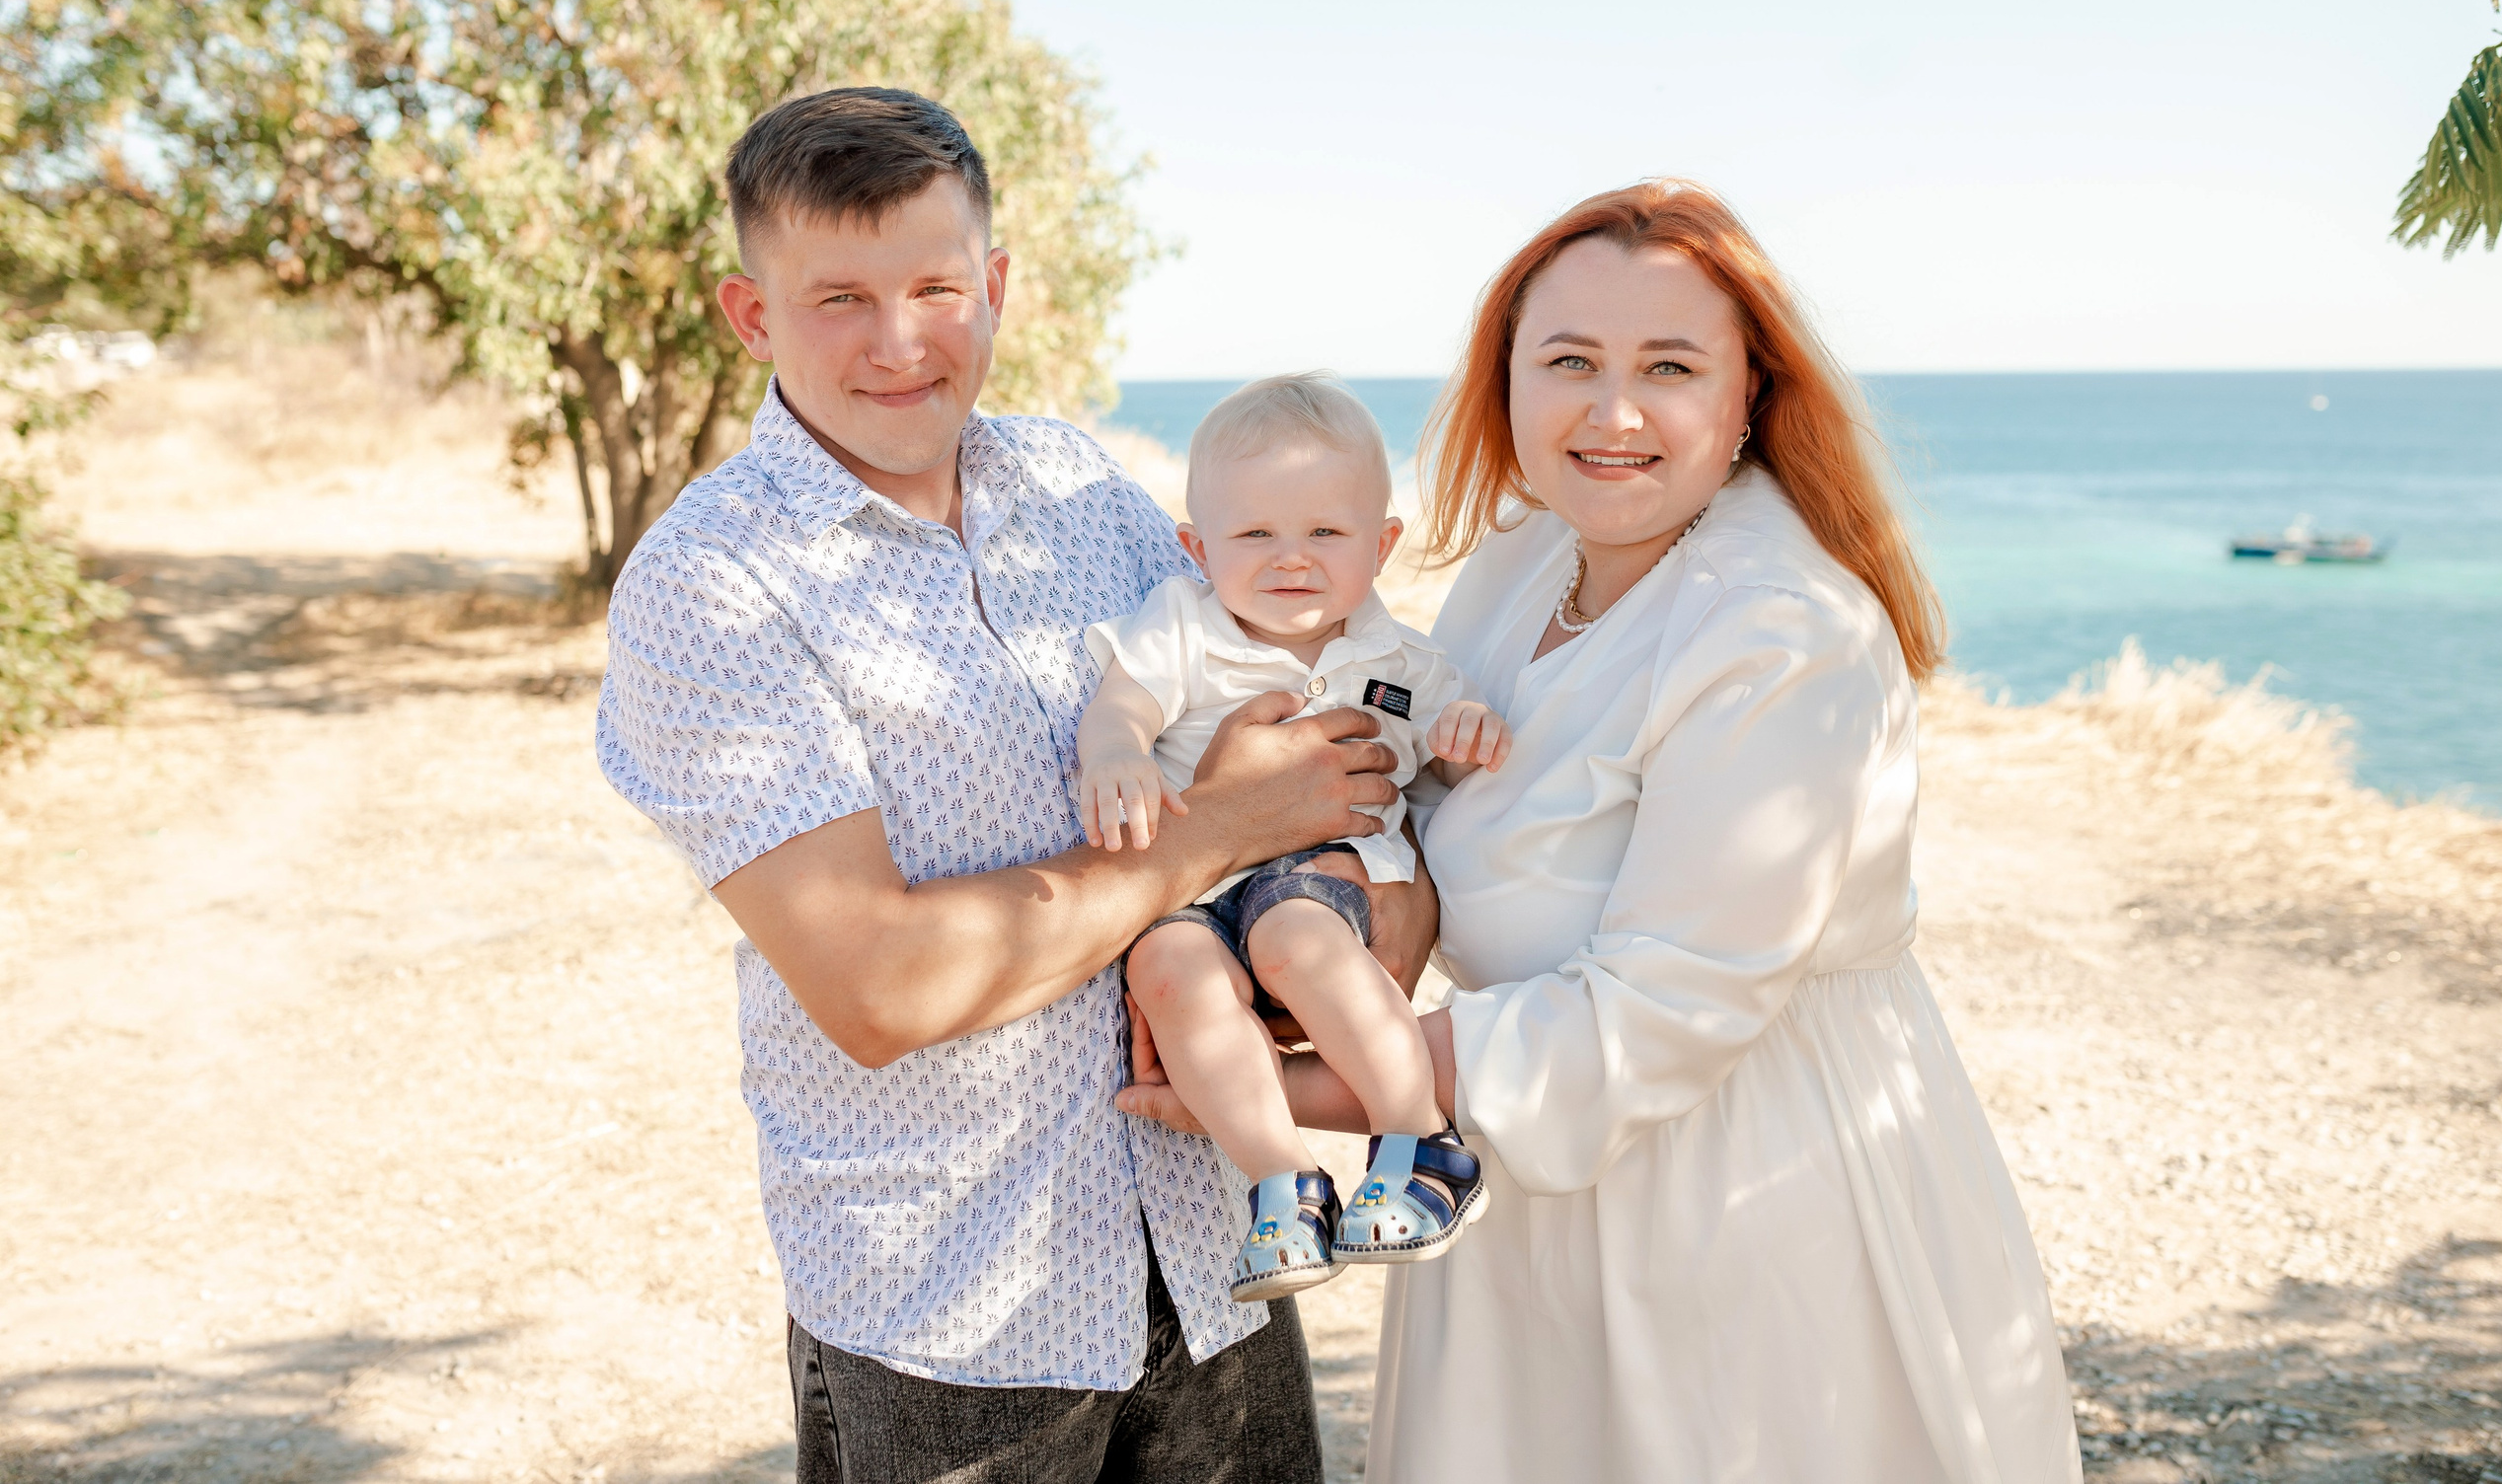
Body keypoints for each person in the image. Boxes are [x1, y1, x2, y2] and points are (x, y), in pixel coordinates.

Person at [1122, 181, 2082, 1482]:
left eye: (1670, 366)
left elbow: (1658, 1010)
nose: (1612, 410)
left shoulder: (1775, 628)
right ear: (1505, 382)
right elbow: (1406, 813)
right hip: (1509, 1186)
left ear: (1750, 394)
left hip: (1740, 1192)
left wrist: (1262, 1088)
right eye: (1567, 360)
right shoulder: (1522, 561)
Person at [596, 87, 1435, 1484]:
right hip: (953, 1309)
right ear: (753, 316)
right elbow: (882, 985)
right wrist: (1223, 827)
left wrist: (1350, 914)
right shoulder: (713, 586)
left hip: (1215, 1248)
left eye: (935, 284)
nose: (900, 339)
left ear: (992, 284)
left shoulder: (1083, 489)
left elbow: (1321, 758)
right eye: (840, 298)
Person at [1076, 373, 1509, 1303]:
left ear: (1382, 543)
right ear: (1198, 546)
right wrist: (1116, 752)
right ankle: (1285, 1182)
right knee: (1166, 974)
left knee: (1292, 937)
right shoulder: (1183, 626)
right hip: (1195, 882)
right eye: (1255, 534)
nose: (1292, 558)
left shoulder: (1401, 661)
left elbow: (1444, 745)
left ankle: (1419, 1141)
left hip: (1326, 876)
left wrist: (1464, 732)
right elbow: (1123, 704)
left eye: (1325, 532)